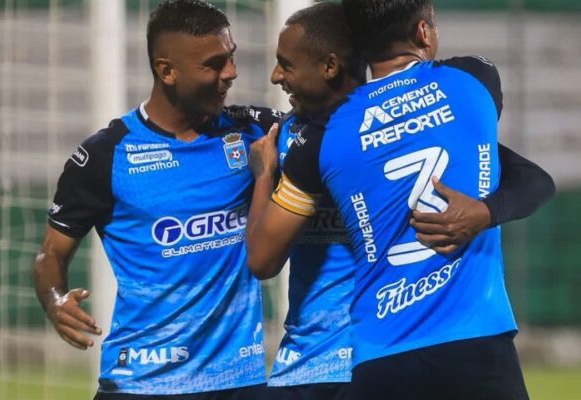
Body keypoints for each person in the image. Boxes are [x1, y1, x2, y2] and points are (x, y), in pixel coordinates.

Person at [246, 1, 556, 399]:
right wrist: (485, 211)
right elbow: (533, 179)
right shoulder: (473, 78)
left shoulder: (323, 139)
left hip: (380, 356)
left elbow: (262, 260)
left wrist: (263, 175)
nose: (276, 76)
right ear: (423, 32)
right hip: (475, 343)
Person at [33, 1, 278, 398]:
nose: (231, 72)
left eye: (230, 57)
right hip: (142, 380)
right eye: (214, 64)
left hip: (238, 380)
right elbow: (50, 253)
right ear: (167, 71)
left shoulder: (253, 132)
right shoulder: (105, 155)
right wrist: (55, 299)